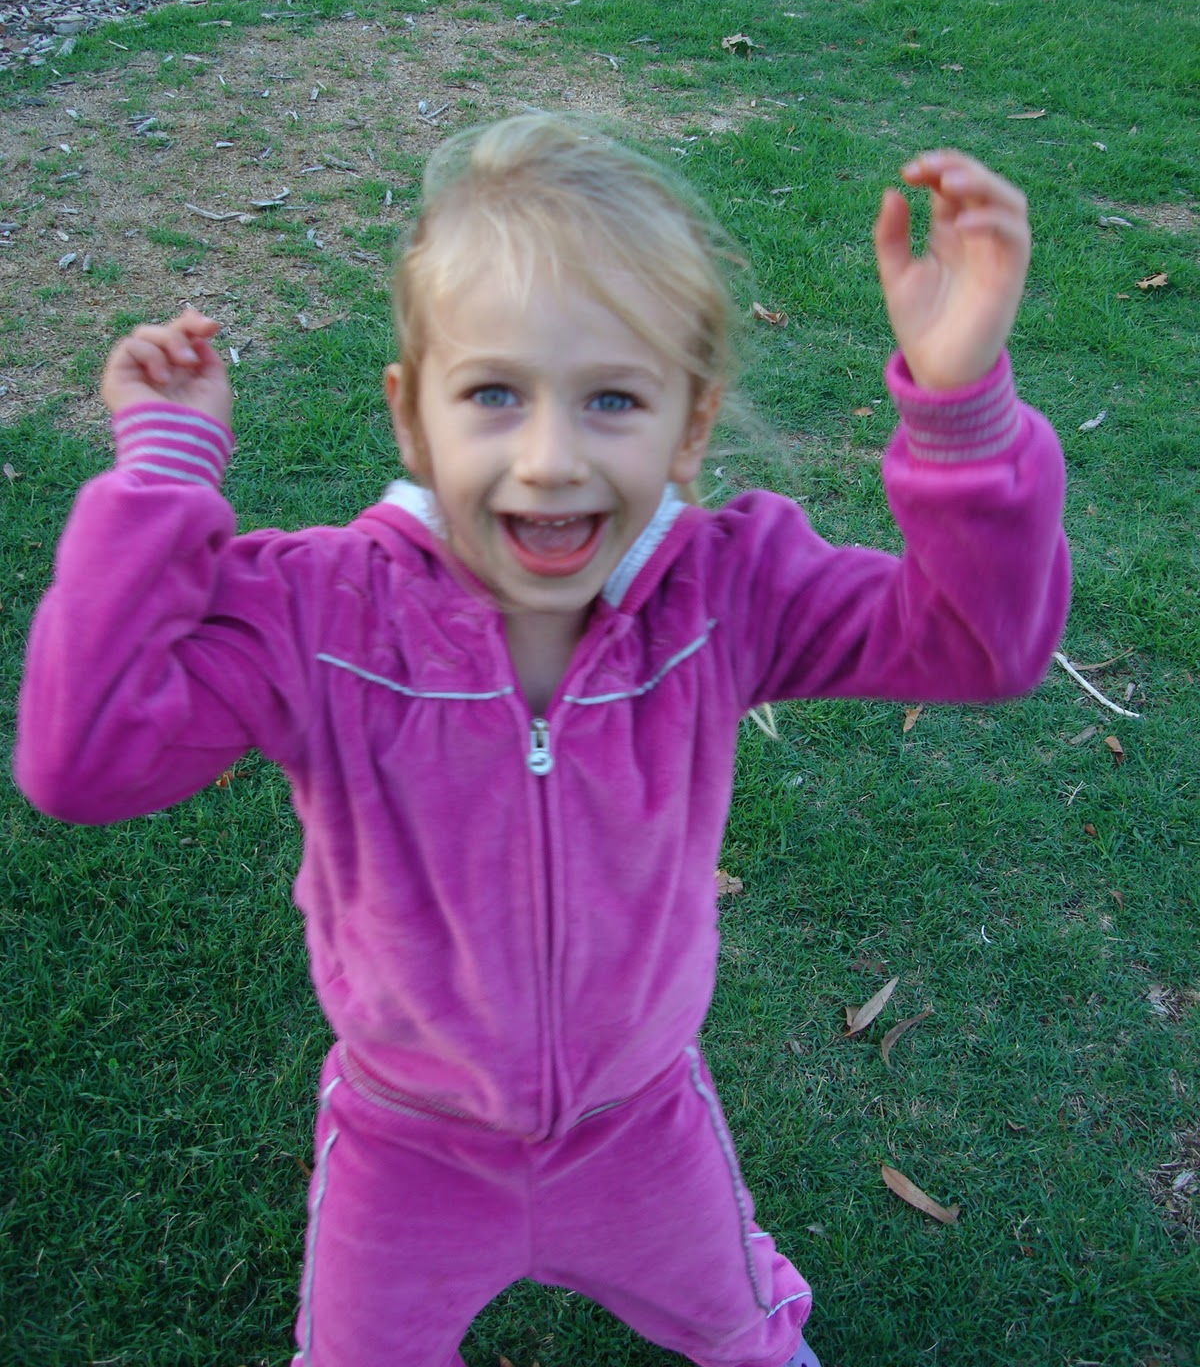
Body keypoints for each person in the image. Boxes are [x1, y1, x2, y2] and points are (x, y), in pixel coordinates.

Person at [16, 113, 1070, 1367]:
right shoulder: (318, 613)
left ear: (690, 426)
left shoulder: (726, 591)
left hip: (643, 1128)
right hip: (405, 1147)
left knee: (745, 1330)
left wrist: (960, 404)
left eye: (613, 398)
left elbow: (979, 645)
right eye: (494, 393)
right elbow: (83, 756)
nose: (552, 456)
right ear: (414, 418)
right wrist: (163, 473)